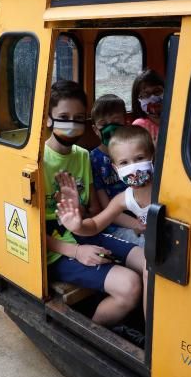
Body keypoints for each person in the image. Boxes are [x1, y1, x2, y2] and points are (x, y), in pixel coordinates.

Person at [44, 80, 145, 329]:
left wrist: (79, 211)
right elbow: (25, 227)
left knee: (149, 261)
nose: (71, 124)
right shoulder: (37, 162)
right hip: (54, 248)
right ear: (48, 119)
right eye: (63, 117)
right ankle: (93, 332)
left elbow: (95, 213)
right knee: (130, 285)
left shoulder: (82, 156)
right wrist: (76, 252)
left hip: (85, 232)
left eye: (78, 118)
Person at [57, 125, 153, 315]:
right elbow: (94, 225)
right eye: (124, 163)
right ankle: (151, 328)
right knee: (150, 269)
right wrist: (77, 225)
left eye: (139, 159)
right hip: (156, 250)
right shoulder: (124, 199)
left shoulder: (166, 187)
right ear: (116, 169)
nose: (132, 167)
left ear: (151, 157)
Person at [90, 94, 145, 245]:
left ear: (125, 122)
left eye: (115, 122)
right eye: (103, 124)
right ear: (95, 129)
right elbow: (107, 209)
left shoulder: (134, 152)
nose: (110, 128)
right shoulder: (94, 159)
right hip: (115, 224)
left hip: (140, 213)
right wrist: (138, 225)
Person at [131, 69, 164, 146]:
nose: (152, 98)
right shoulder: (140, 126)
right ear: (137, 100)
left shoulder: (178, 118)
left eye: (157, 91)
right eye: (146, 95)